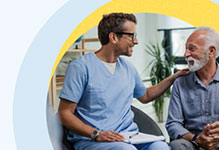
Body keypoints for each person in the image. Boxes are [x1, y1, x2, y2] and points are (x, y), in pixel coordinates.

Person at [58, 13, 188, 150]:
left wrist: (173, 77)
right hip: (93, 140)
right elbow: (64, 114)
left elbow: (146, 96)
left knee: (161, 147)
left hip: (129, 136)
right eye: (132, 36)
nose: (136, 41)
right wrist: (95, 134)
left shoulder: (127, 68)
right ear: (113, 37)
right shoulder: (81, 67)